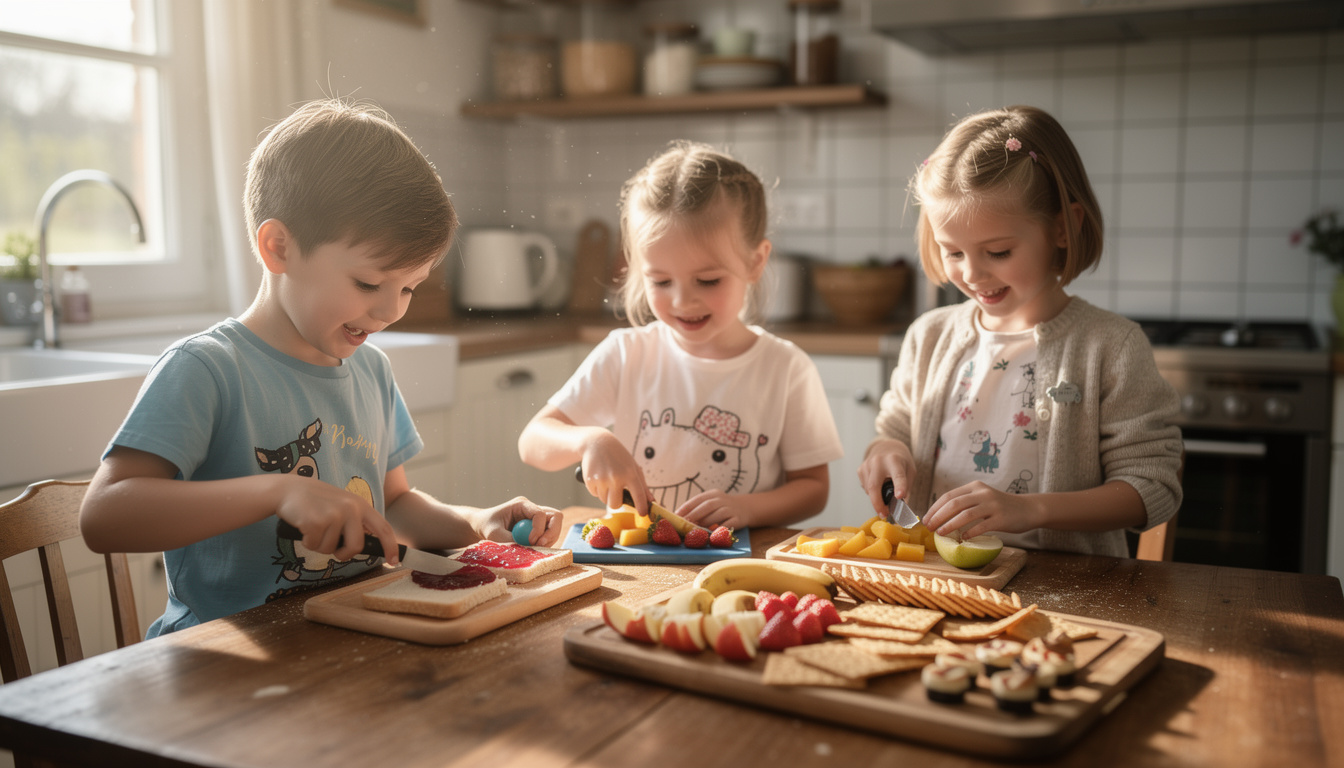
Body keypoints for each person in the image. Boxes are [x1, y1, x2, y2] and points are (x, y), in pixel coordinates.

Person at [80, 99, 565, 637]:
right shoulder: (208, 369)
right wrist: (279, 491)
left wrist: (476, 523)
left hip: (348, 632)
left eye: (409, 288)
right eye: (368, 283)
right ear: (279, 248)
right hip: (223, 658)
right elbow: (104, 515)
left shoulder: (372, 370)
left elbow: (395, 503)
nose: (390, 311)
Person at [858, 106, 1182, 557]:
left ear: (1063, 228)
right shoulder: (928, 336)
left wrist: (1031, 509)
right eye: (952, 252)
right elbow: (894, 427)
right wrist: (884, 451)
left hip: (1067, 582)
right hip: (941, 575)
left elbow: (1153, 487)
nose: (972, 274)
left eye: (998, 252)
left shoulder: (1111, 347)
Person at [518, 141, 843, 530]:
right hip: (641, 557)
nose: (682, 300)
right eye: (660, 281)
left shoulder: (786, 367)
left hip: (741, 558)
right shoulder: (627, 353)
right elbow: (533, 441)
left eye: (708, 280)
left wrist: (747, 508)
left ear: (755, 262)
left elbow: (813, 488)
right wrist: (589, 441)